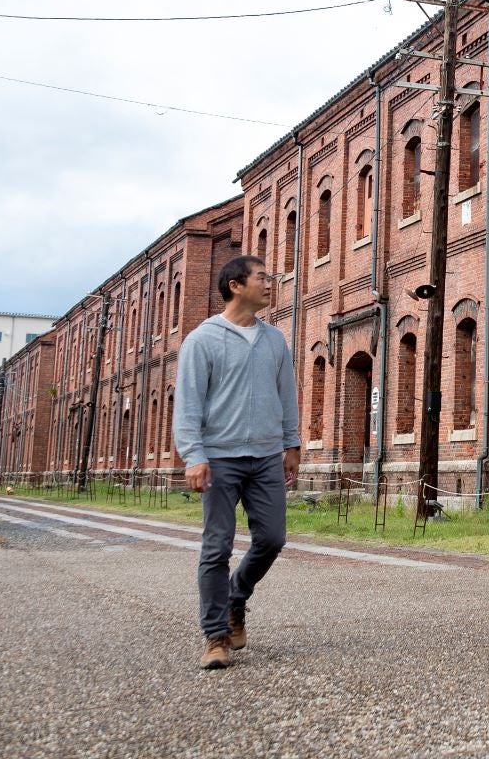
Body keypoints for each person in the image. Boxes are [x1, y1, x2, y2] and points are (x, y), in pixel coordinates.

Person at [173, 254, 300, 672]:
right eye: (263, 278)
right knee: (217, 546)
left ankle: (236, 598)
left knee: (272, 539)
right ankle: (215, 636)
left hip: (266, 457)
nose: (271, 283)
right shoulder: (202, 340)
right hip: (219, 458)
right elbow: (188, 403)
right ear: (235, 285)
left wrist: (291, 444)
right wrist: (193, 455)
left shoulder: (275, 340)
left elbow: (287, 396)